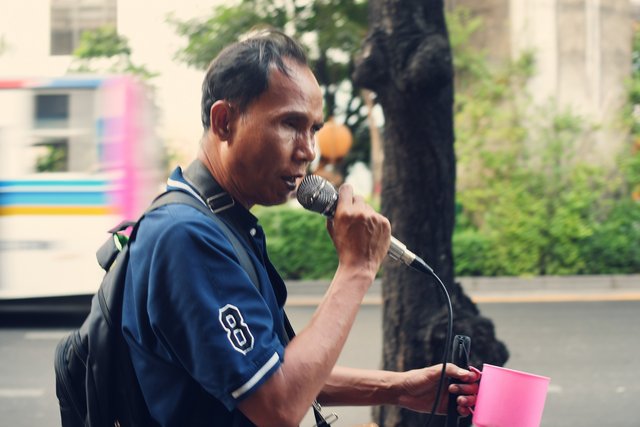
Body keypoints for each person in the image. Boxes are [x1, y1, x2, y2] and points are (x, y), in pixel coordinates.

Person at [121, 28, 479, 427]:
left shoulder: (221, 222)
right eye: (290, 124)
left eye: (313, 129)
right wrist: (358, 267)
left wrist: (397, 389)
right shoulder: (185, 236)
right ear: (224, 121)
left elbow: (272, 368)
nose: (308, 150)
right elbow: (277, 404)